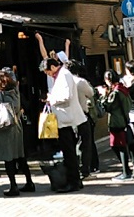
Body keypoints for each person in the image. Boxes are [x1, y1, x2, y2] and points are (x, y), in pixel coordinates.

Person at [41, 54, 85, 192]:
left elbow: (67, 96)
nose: (48, 74)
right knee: (69, 152)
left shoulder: (64, 74)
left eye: (48, 71)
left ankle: (74, 182)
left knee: (69, 153)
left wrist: (51, 98)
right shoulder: (60, 75)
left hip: (67, 120)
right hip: (64, 119)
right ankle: (75, 180)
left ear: (53, 66)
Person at [0, 70, 34, 196]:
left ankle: (13, 186)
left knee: (8, 157)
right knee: (20, 155)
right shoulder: (15, 91)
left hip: (5, 127)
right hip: (17, 125)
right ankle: (29, 182)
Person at [100, 70, 133, 182]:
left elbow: (108, 106)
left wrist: (104, 96)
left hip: (117, 121)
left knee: (119, 146)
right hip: (122, 120)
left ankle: (126, 171)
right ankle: (126, 170)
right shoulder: (123, 89)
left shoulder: (116, 92)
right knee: (117, 145)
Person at [67, 60, 95, 179]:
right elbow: (91, 93)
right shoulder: (80, 82)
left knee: (73, 143)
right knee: (85, 143)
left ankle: (75, 169)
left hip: (68, 116)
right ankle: (84, 171)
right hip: (82, 114)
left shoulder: (64, 82)